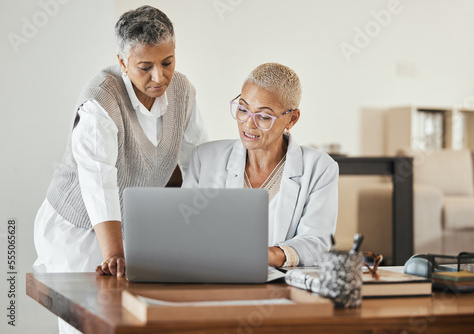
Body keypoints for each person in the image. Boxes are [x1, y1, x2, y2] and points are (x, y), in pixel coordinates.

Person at [33, 6, 207, 332]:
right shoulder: (100, 99)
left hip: (130, 227)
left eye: (167, 62)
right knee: (88, 326)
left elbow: (194, 161)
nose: (160, 77)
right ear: (123, 61)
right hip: (78, 228)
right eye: (145, 67)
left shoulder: (183, 91)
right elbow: (99, 180)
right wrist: (114, 254)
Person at [183, 63, 338, 267]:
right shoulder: (205, 158)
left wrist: (269, 255)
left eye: (264, 116)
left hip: (283, 287)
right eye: (243, 109)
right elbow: (185, 229)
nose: (248, 123)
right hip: (214, 280)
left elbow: (317, 242)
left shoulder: (319, 168)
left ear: (292, 119)